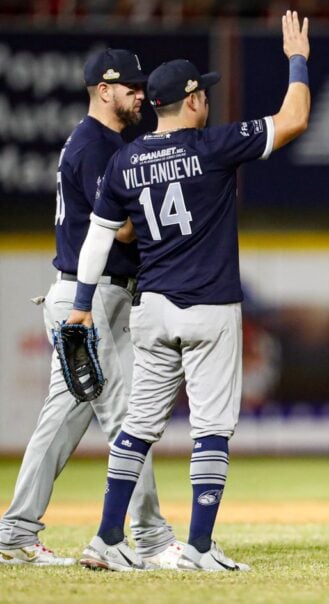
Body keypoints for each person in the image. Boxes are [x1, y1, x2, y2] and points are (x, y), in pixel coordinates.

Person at [66, 10, 311, 572]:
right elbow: (294, 118)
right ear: (195, 99)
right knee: (211, 429)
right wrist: (298, 59)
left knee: (137, 428)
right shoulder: (212, 146)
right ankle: (198, 547)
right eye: (205, 93)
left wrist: (81, 308)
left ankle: (106, 538)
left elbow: (98, 241)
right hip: (208, 306)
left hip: (150, 307)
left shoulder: (124, 160)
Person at [0, 49, 181, 569]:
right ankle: (149, 537)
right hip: (89, 297)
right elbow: (122, 228)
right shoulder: (97, 146)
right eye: (131, 88)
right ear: (104, 90)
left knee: (60, 419)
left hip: (92, 293)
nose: (141, 96)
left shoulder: (97, 142)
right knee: (129, 412)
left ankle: (14, 532)